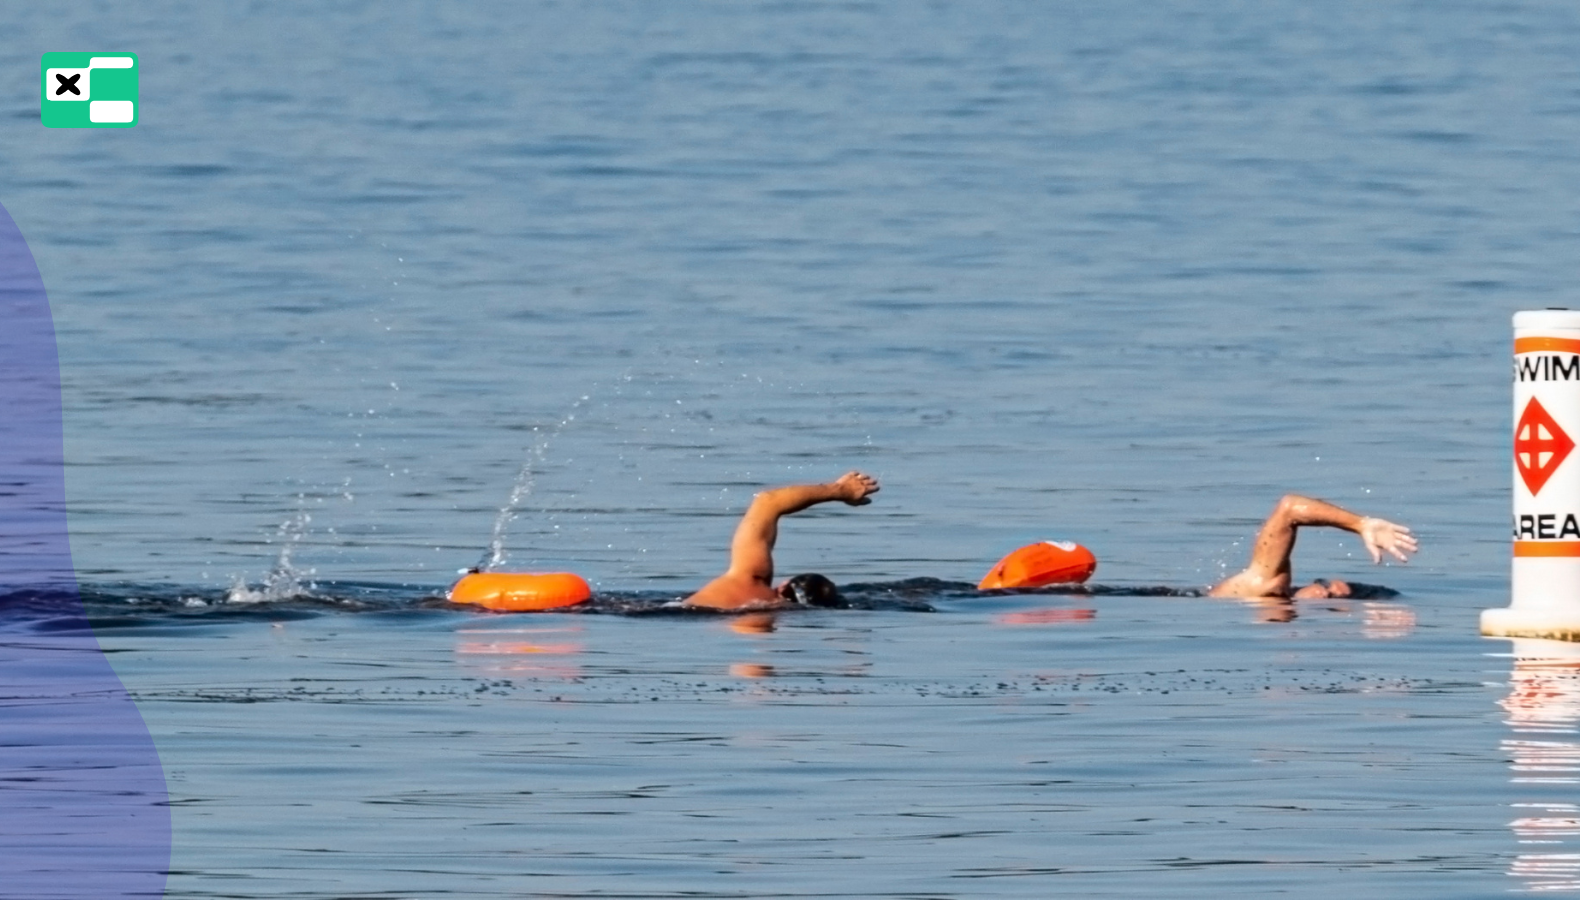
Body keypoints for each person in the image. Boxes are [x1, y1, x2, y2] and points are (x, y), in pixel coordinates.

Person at [684, 471, 879, 610]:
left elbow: (768, 501)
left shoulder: (750, 577)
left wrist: (838, 490)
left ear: (784, 585)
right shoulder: (760, 623)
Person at [1208, 494, 1418, 599]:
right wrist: (1360, 524)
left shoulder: (1267, 592)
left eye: (1327, 589)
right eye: (1327, 590)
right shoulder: (1259, 586)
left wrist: (1361, 525)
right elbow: (1289, 508)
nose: (1327, 592)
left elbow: (1289, 508)